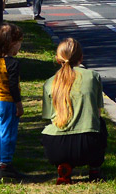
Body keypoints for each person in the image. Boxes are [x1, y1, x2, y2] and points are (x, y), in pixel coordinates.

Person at [42, 37, 108, 184]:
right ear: (81, 58)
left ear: (58, 60)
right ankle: (94, 169)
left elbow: (49, 117)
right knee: (101, 124)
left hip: (56, 147)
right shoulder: (92, 77)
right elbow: (97, 113)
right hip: (88, 144)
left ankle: (64, 166)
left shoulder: (49, 83)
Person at [0, 22, 24, 181]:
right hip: (8, 103)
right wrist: (19, 104)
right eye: (19, 44)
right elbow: (13, 86)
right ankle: (6, 165)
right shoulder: (13, 64)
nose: (19, 47)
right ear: (11, 44)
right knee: (8, 134)